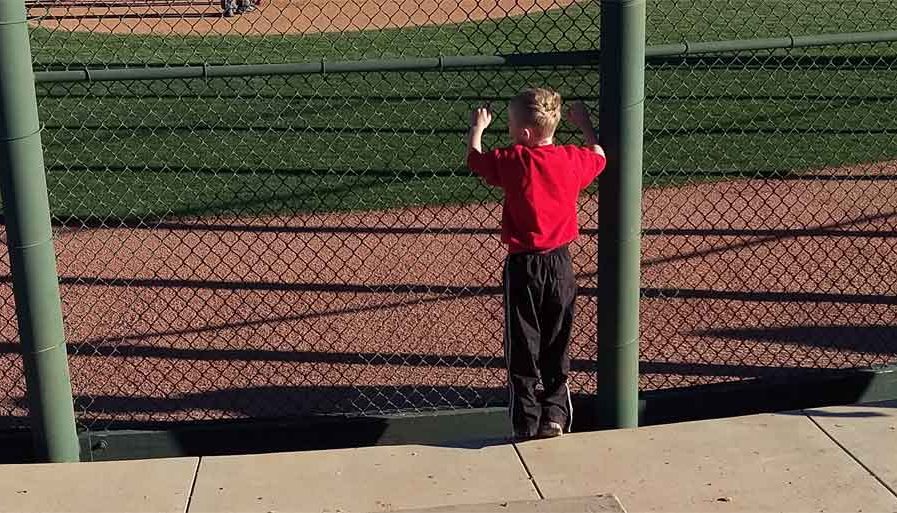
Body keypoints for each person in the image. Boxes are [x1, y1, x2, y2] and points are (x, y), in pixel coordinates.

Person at [466, 88, 606, 440]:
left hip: (523, 266)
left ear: (525, 134)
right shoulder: (572, 160)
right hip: (561, 265)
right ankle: (555, 413)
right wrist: (586, 126)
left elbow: (475, 160)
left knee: (523, 344)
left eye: (512, 125)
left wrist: (477, 129)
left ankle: (526, 420)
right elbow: (599, 157)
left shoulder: (513, 160)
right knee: (557, 340)